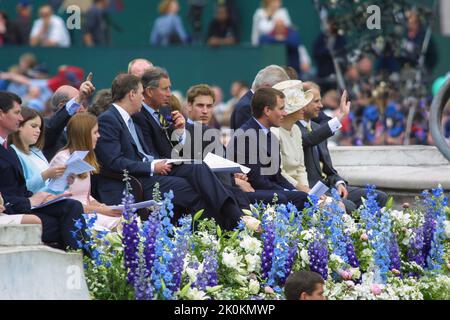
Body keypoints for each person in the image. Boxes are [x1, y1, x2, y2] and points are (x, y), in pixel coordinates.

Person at [95, 73, 242, 230]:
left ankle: (234, 219)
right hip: (136, 180)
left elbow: (147, 152)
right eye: (140, 94)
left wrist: (160, 159)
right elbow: (113, 162)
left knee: (199, 167)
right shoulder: (108, 119)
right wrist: (152, 167)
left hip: (150, 169)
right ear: (131, 94)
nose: (142, 99)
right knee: (194, 190)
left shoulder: (130, 119)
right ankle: (229, 227)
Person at [0, 91, 84, 250]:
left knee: (71, 207)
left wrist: (44, 195)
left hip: (24, 203)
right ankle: (84, 262)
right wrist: (30, 200)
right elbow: (8, 192)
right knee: (65, 224)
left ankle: (86, 262)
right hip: (12, 208)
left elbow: (19, 188)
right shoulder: (12, 150)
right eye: (17, 113)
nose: (20, 118)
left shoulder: (14, 151)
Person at [298, 82, 388, 213]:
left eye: (320, 101)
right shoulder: (294, 130)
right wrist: (339, 117)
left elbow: (329, 170)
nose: (321, 106)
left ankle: (367, 233)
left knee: (378, 197)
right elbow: (310, 139)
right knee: (348, 205)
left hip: (330, 187)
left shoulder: (317, 128)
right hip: (313, 191)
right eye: (316, 101)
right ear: (303, 103)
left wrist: (339, 183)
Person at [229, 87, 309, 210]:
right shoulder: (245, 136)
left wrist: (293, 190)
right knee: (299, 198)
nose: (285, 113)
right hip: (252, 194)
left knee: (306, 196)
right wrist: (289, 192)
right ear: (267, 110)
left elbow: (277, 176)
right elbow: (257, 180)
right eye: (281, 108)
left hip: (269, 190)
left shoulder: (270, 136)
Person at [51, 113, 122, 231]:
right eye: (95, 132)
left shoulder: (83, 157)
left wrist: (103, 206)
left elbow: (85, 196)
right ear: (83, 135)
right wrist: (103, 210)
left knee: (127, 221)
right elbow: (63, 202)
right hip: (76, 217)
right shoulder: (63, 160)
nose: (99, 136)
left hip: (90, 212)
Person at [9, 106, 66, 194]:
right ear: (19, 125)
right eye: (34, 126)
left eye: (39, 127)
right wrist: (45, 175)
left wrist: (66, 180)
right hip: (34, 204)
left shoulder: (36, 151)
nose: (38, 131)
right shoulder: (12, 152)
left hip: (52, 199)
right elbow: (22, 189)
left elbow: (49, 185)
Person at [43, 79, 93, 161]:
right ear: (61, 106)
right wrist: (78, 98)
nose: (83, 109)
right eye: (79, 104)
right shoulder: (46, 126)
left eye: (83, 104)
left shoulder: (82, 128)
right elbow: (52, 127)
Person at [230, 65, 290, 130]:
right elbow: (249, 138)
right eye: (280, 91)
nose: (281, 95)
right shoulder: (246, 107)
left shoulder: (251, 103)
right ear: (266, 87)